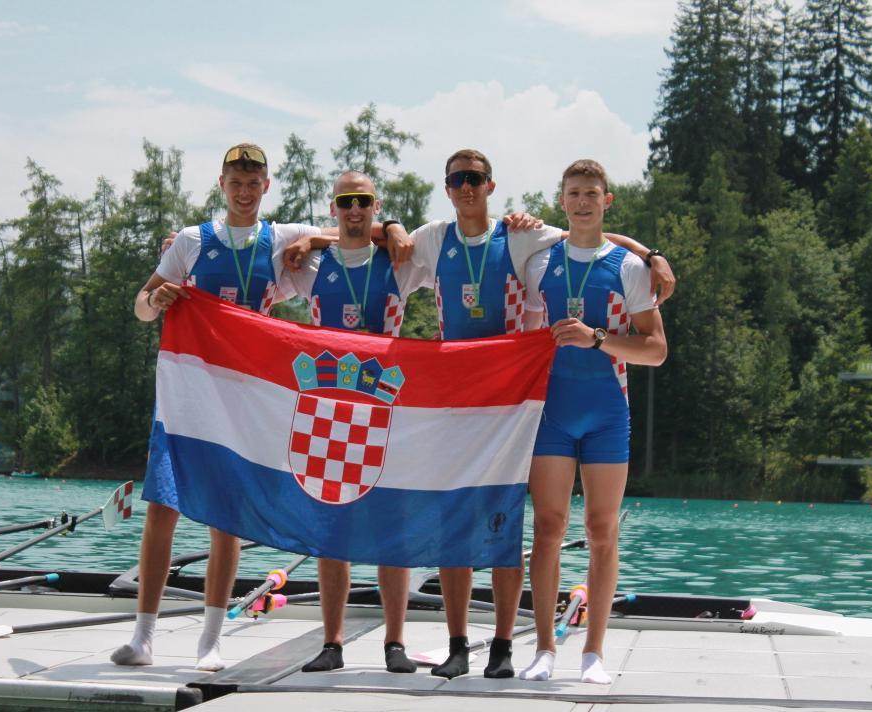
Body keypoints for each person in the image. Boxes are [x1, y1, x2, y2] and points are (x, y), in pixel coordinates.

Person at [288, 148, 674, 679]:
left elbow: (591, 238)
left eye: (475, 178)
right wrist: (322, 238)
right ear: (447, 188)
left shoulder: (524, 240)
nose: (466, 186)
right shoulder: (434, 238)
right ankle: (472, 645)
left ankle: (525, 649)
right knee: (473, 518)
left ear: (491, 186)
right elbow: (364, 234)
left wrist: (651, 254)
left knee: (529, 523)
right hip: (462, 399)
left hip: (518, 403)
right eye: (457, 180)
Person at [113, 143, 325, 671]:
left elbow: (351, 236)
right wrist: (155, 300)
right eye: (236, 183)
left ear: (266, 187)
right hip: (187, 392)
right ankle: (142, 638)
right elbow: (141, 306)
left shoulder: (281, 239)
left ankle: (210, 640)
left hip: (244, 398)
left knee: (226, 518)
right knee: (162, 507)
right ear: (222, 185)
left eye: (253, 184)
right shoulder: (191, 241)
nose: (244, 192)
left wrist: (314, 240)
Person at [519, 159, 667, 683]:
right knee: (547, 528)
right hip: (552, 413)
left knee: (602, 530)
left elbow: (656, 350)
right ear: (562, 201)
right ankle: (543, 649)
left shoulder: (629, 268)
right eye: (574, 193)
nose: (582, 202)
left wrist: (598, 338)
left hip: (606, 412)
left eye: (591, 193)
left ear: (607, 201)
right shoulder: (538, 263)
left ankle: (594, 654)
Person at [286, 170, 417, 674]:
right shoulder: (311, 265)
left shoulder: (401, 260)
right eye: (346, 202)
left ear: (376, 206)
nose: (355, 209)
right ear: (333, 208)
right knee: (332, 532)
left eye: (363, 201)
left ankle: (395, 643)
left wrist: (394, 227)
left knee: (392, 532)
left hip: (385, 408)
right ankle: (332, 643)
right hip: (330, 413)